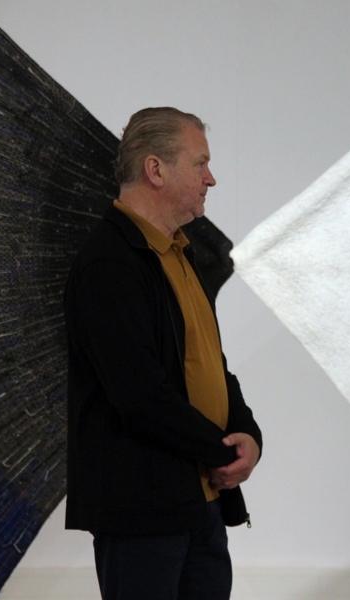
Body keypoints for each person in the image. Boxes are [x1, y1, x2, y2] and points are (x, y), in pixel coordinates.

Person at [64, 107, 262, 600]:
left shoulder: (179, 253)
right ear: (156, 169)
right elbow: (141, 396)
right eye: (200, 163)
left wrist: (248, 434)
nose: (210, 178)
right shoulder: (109, 264)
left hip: (200, 500)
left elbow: (211, 363)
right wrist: (221, 451)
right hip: (142, 513)